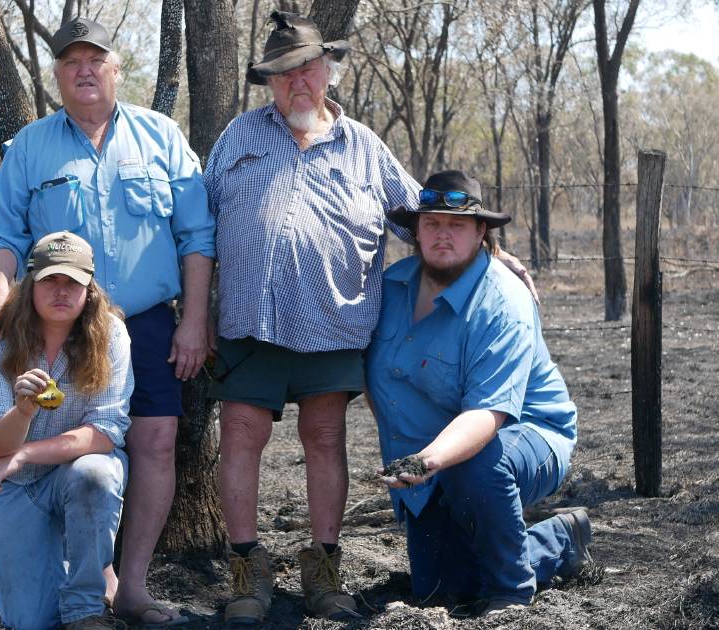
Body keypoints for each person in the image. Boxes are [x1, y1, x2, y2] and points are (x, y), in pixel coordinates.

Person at [204, 12, 537, 625]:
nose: (295, 84)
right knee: (241, 440)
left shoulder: (362, 145)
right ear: (269, 83)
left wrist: (491, 251)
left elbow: (422, 216)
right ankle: (248, 568)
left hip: (333, 326)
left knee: (325, 440)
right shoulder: (238, 138)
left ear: (327, 71)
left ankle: (324, 569)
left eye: (306, 70)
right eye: (282, 75)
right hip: (249, 323)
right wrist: (193, 315)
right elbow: (199, 228)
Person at [0, 18, 214, 627]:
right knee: (75, 448)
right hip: (60, 325)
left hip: (150, 322)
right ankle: (85, 581)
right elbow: (1, 235)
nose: (83, 69)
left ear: (115, 69)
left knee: (155, 443)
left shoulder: (161, 136)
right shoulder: (30, 147)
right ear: (56, 73)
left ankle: (130, 588)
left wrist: (195, 320)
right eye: (70, 61)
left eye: (95, 59)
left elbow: (198, 236)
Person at [365, 170, 592, 615]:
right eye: (431, 224)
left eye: (457, 226)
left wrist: (426, 461)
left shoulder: (503, 301)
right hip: (436, 455)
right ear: (416, 232)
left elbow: (487, 417)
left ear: (481, 232)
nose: (442, 236)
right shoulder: (389, 288)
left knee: (477, 468)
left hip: (524, 435)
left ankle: (511, 591)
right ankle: (558, 539)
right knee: (440, 589)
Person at [0, 231, 131, 630]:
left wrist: (24, 452)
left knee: (95, 473)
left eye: (72, 283)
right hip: (19, 486)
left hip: (71, 473)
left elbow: (105, 433)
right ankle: (92, 567)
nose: (61, 292)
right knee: (28, 621)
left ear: (89, 289)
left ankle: (86, 609)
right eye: (50, 281)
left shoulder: (110, 335)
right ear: (30, 285)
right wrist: (22, 412)